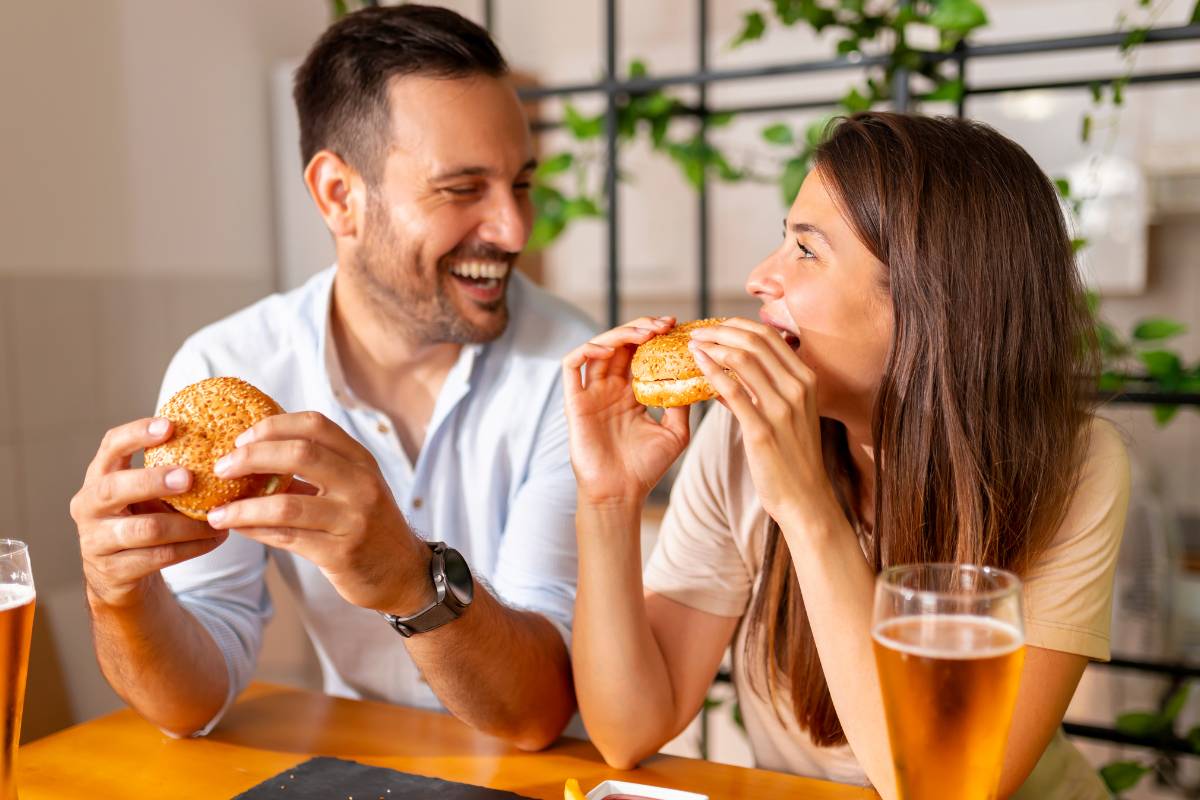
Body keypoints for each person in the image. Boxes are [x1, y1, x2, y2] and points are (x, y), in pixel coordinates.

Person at [69, 4, 593, 750]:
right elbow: (189, 704)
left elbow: (538, 710)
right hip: (354, 766)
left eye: (519, 184)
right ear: (338, 196)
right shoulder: (230, 366)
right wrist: (119, 595)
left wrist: (412, 578)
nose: (513, 229)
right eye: (462, 189)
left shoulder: (574, 372)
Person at [563, 112, 1129, 798]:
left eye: (806, 252)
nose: (758, 279)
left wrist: (805, 508)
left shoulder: (1076, 465)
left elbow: (941, 790)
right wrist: (609, 498)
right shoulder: (739, 435)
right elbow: (626, 731)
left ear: (930, 303)